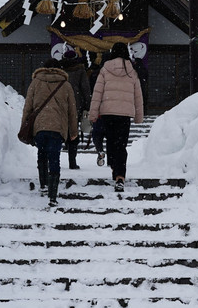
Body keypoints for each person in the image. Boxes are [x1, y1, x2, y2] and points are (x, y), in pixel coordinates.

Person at [21, 58, 77, 207]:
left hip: (39, 126)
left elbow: (27, 107)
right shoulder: (65, 85)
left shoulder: (36, 83)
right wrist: (73, 131)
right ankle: (53, 195)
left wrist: (24, 127)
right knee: (54, 158)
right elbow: (72, 111)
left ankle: (43, 184)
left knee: (42, 154)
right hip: (57, 128)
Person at [88, 42, 143, 192]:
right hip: (124, 115)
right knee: (121, 145)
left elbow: (97, 93)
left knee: (111, 143)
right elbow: (138, 95)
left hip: (108, 113)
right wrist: (139, 116)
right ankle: (120, 176)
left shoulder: (105, 69)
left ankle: (114, 168)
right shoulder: (132, 71)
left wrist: (93, 113)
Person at [60, 49, 91, 170]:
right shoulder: (80, 70)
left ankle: (55, 158)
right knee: (74, 132)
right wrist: (88, 106)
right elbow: (85, 89)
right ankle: (72, 161)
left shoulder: (59, 70)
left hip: (60, 104)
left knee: (59, 131)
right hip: (75, 105)